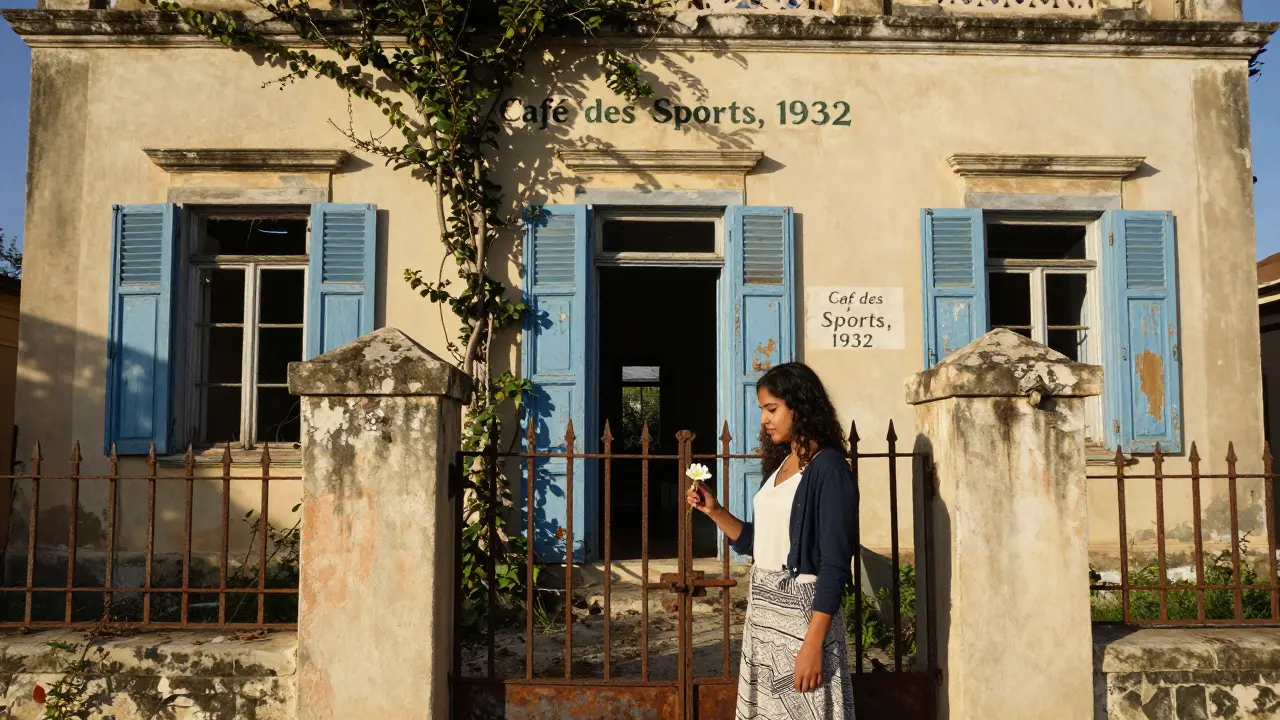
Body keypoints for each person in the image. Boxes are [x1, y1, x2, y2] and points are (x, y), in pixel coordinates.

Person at [687, 362, 857, 720]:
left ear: (800, 406)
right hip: (765, 612)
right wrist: (715, 511)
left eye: (772, 409)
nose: (764, 419)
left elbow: (835, 564)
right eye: (763, 410)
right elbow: (757, 541)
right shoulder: (780, 466)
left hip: (802, 616)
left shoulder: (828, 469)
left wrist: (813, 643)